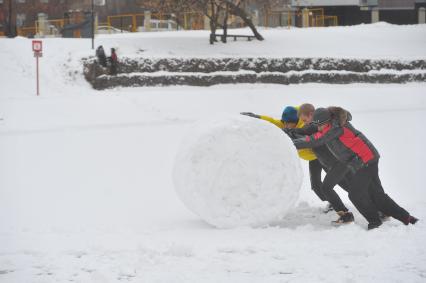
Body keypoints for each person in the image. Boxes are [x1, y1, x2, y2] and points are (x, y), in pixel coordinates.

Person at [293, 107, 418, 230]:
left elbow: (314, 140)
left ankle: (375, 221)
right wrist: (292, 134)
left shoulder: (334, 129)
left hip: (365, 161)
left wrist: (291, 143)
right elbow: (314, 133)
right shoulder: (333, 123)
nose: (318, 129)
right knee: (377, 195)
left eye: (319, 126)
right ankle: (407, 218)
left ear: (325, 122)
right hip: (367, 159)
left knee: (356, 195)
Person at [241, 106, 337, 213]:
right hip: (313, 159)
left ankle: (345, 200)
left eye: (288, 123)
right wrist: (257, 117)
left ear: (295, 121)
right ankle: (332, 203)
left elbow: (305, 138)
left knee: (336, 180)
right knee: (315, 185)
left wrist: (291, 133)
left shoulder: (306, 125)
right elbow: (272, 122)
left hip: (323, 156)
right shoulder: (286, 123)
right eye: (284, 122)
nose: (285, 125)